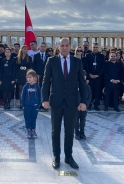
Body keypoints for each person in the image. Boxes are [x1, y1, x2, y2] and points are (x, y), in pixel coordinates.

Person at [42, 38, 87, 170]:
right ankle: (56, 157)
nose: (65, 48)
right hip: (56, 101)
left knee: (69, 131)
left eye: (67, 46)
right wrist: (44, 99)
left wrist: (83, 101)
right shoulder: (52, 61)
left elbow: (82, 83)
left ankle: (69, 157)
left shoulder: (77, 61)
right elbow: (45, 81)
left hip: (71, 102)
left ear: (70, 47)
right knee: (55, 131)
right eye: (62, 45)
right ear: (58, 47)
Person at [85, 42, 105, 111]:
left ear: (98, 48)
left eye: (96, 47)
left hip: (98, 77)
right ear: (91, 47)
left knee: (97, 91)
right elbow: (86, 66)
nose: (95, 48)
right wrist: (89, 74)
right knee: (90, 91)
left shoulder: (101, 56)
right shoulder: (88, 55)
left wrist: (98, 75)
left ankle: (96, 105)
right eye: (94, 47)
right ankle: (89, 104)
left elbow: (103, 66)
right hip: (90, 76)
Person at [22, 70, 41, 138]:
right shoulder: (26, 86)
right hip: (27, 105)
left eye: (30, 77)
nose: (29, 79)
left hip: (35, 105)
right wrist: (23, 105)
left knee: (33, 118)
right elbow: (23, 96)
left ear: (35, 77)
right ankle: (28, 130)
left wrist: (38, 104)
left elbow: (39, 96)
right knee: (27, 118)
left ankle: (33, 130)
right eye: (28, 77)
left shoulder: (37, 86)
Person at [74, 70, 92, 140]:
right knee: (76, 120)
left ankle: (82, 132)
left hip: (84, 108)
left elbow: (89, 97)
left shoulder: (87, 87)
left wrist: (86, 105)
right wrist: (77, 105)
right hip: (76, 108)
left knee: (82, 120)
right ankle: (77, 132)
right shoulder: (74, 86)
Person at [32, 42, 48, 111]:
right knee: (37, 90)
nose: (43, 48)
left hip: (46, 76)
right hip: (38, 76)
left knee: (45, 91)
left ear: (45, 47)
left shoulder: (49, 56)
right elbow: (33, 67)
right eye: (41, 46)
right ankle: (38, 104)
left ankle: (44, 105)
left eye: (44, 46)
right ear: (39, 47)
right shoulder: (36, 56)